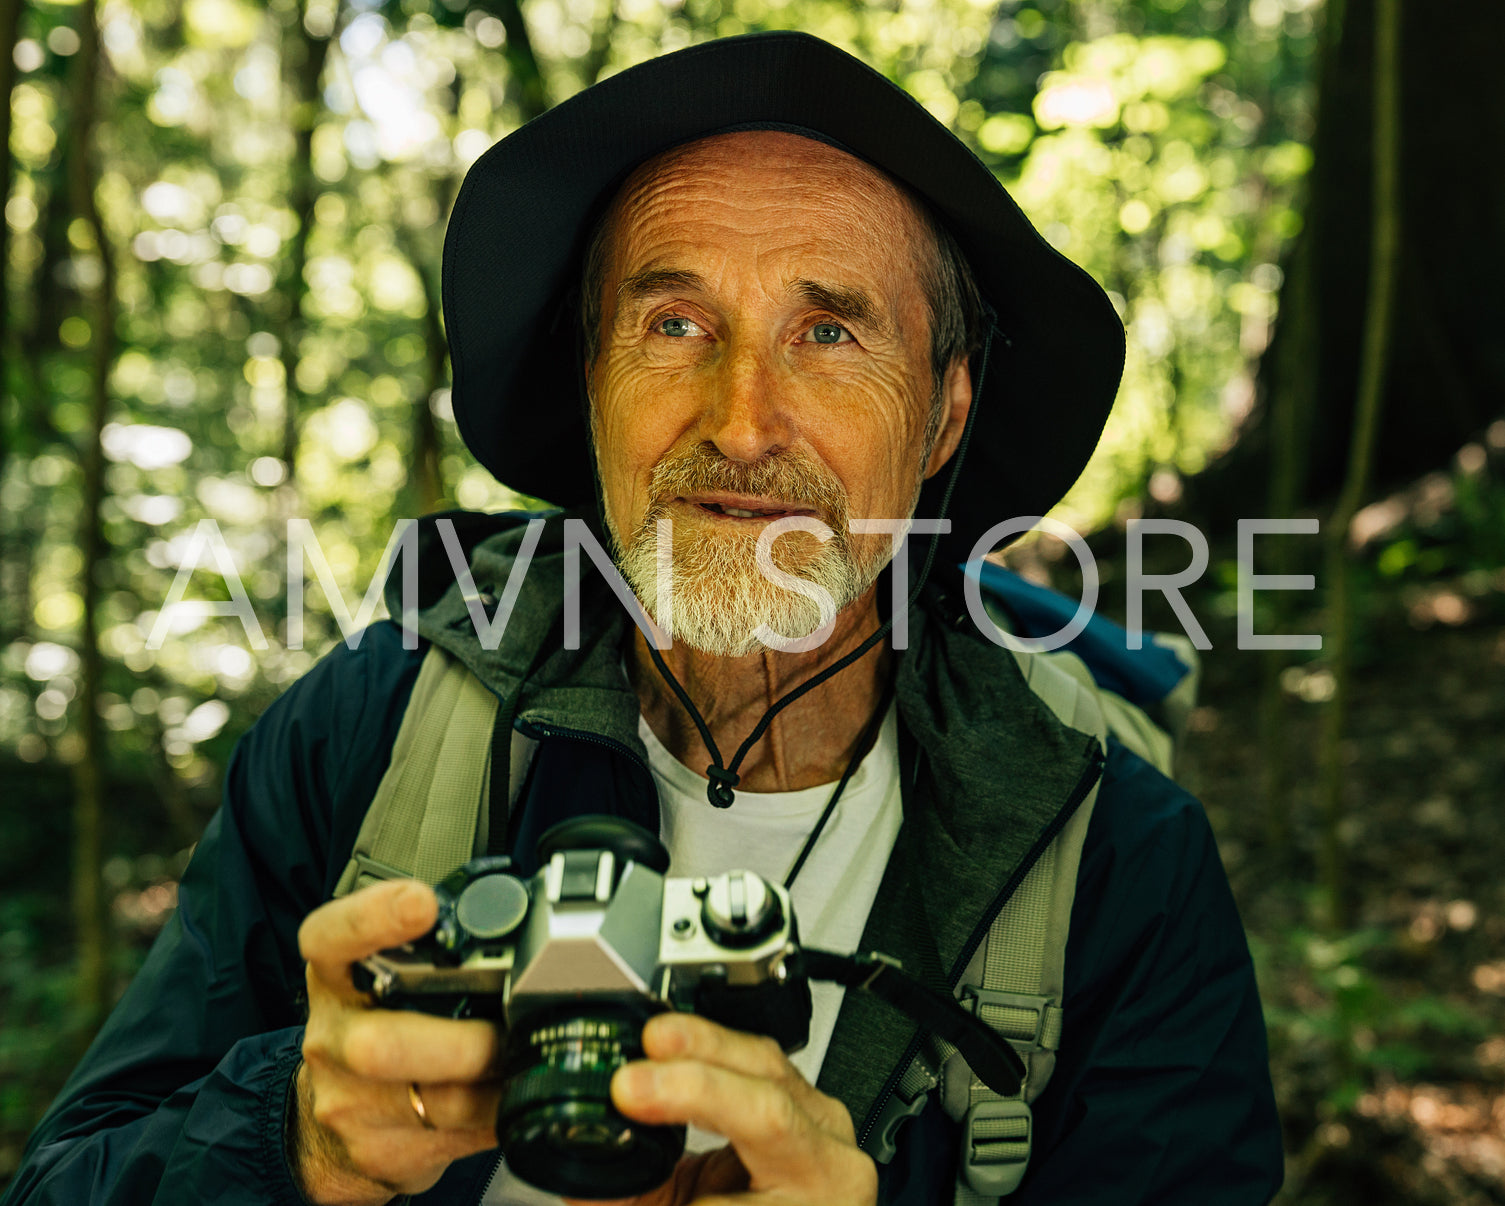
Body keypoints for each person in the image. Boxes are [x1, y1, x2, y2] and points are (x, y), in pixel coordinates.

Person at [2, 32, 1283, 1206]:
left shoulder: (1107, 846)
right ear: (590, 376)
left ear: (942, 416)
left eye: (828, 334)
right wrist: (287, 1136)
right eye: (673, 323)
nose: (739, 417)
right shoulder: (379, 731)